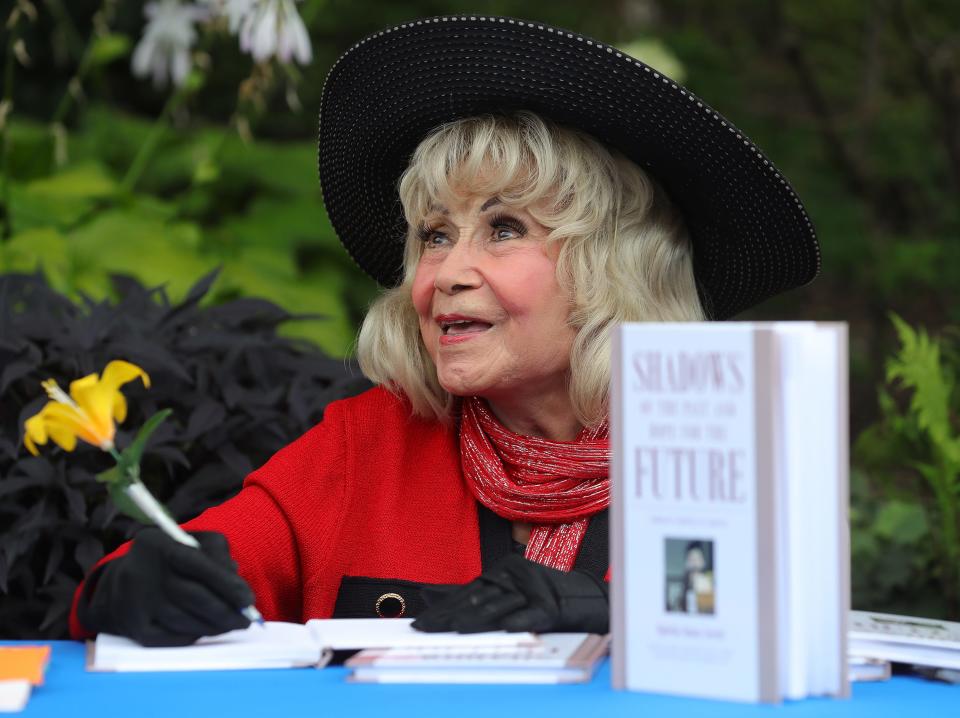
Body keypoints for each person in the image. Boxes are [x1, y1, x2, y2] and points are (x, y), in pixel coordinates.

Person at [68, 15, 819, 646]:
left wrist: (604, 614)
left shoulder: (715, 452)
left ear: (615, 267)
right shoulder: (367, 448)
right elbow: (174, 574)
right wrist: (129, 587)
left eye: (502, 228)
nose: (446, 273)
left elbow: (785, 630)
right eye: (433, 235)